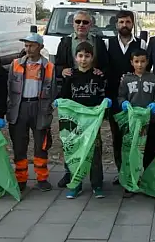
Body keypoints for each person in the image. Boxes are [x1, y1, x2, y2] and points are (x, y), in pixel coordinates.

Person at [58, 41, 109, 199]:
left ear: (92, 57)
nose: (83, 59)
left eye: (87, 56)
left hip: (92, 122)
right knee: (75, 152)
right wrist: (58, 102)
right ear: (75, 57)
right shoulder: (71, 76)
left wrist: (106, 103)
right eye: (80, 56)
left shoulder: (98, 76)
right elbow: (64, 96)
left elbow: (102, 95)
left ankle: (97, 184)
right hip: (75, 122)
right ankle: (76, 184)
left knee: (95, 153)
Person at [6, 31, 56, 192]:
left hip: (39, 107)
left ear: (40, 47)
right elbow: (8, 87)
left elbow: (53, 89)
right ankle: (21, 179)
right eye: (26, 45)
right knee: (19, 145)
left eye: (32, 45)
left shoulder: (48, 66)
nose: (28, 49)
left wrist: (49, 108)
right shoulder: (16, 64)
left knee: (41, 144)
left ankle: (42, 178)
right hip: (20, 107)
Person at [106, 10, 147, 185]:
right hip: (116, 100)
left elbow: (146, 68)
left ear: (133, 24)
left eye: (128, 22)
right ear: (116, 24)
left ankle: (137, 171)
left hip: (137, 99)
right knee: (118, 138)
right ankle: (122, 171)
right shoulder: (108, 44)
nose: (124, 25)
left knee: (138, 138)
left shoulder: (142, 43)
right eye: (121, 22)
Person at [118, 48, 155, 197]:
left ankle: (148, 182)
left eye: (143, 61)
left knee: (150, 151)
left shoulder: (153, 78)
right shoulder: (126, 79)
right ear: (131, 62)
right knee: (133, 152)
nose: (140, 64)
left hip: (151, 122)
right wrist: (123, 103)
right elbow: (121, 96)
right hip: (133, 123)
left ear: (147, 62)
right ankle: (131, 183)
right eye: (136, 61)